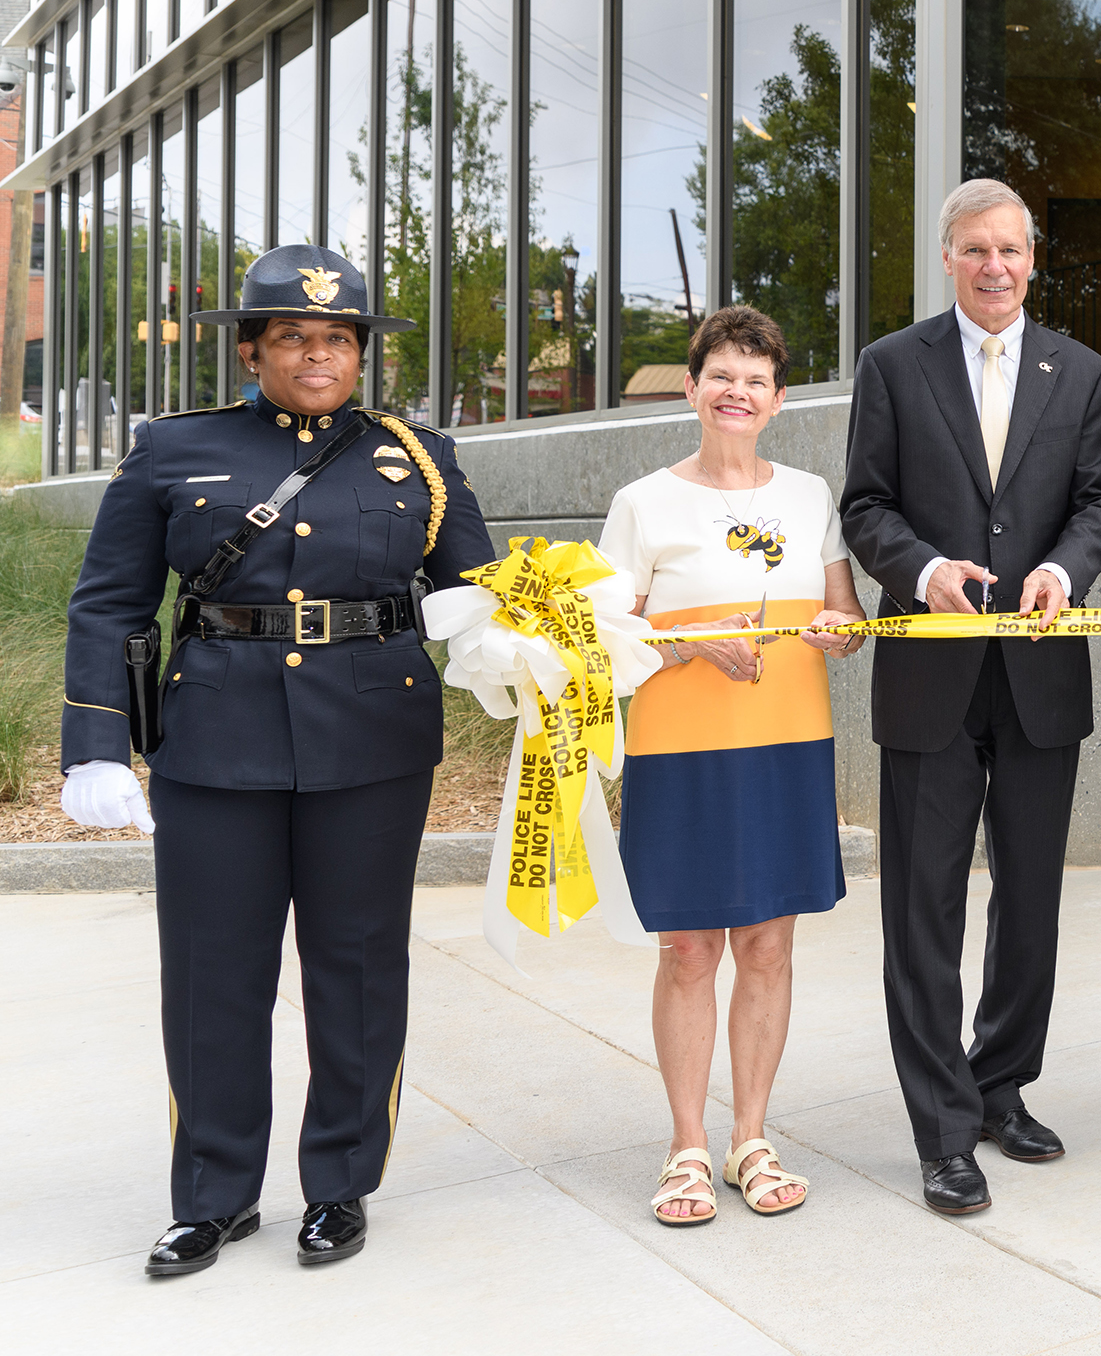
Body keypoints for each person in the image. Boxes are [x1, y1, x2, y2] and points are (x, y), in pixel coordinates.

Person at [59, 245, 493, 1274]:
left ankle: (339, 1182)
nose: (317, 353)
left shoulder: (417, 455)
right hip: (217, 735)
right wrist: (94, 745)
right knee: (214, 971)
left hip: (374, 737)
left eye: (337, 336)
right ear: (251, 348)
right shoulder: (171, 448)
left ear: (359, 353)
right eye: (292, 335)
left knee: (356, 962)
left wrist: (568, 640)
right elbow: (110, 600)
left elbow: (481, 585)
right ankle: (212, 1195)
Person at [839, 181, 1101, 1217]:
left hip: (1042, 670)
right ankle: (943, 1128)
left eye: (1010, 249)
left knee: (1031, 901)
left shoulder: (1083, 372)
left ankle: (1000, 1083)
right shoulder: (891, 365)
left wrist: (1064, 571)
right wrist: (922, 571)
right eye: (975, 250)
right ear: (948, 258)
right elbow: (864, 502)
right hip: (931, 672)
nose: (995, 266)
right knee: (922, 906)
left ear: (1033, 257)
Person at [598, 306, 866, 1225]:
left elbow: (845, 618)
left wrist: (842, 632)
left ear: (779, 399)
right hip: (681, 753)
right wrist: (691, 647)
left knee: (768, 945)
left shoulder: (808, 494)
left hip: (789, 743)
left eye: (756, 379)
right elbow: (601, 639)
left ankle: (751, 1136)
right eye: (722, 376)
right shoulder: (643, 503)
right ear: (692, 387)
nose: (737, 392)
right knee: (688, 949)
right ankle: (686, 1146)